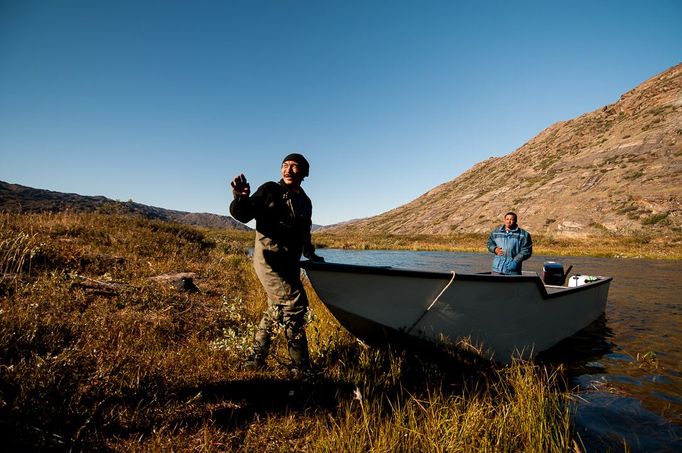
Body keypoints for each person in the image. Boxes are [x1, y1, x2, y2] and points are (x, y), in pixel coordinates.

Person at [229, 153, 324, 373]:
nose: (288, 170)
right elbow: (244, 214)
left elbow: (304, 232)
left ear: (304, 173)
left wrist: (310, 253)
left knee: (275, 310)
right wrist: (240, 198)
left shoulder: (305, 201)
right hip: (269, 261)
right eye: (285, 165)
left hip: (290, 263)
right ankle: (300, 367)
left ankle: (255, 360)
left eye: (294, 166)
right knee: (295, 304)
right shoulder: (270, 190)